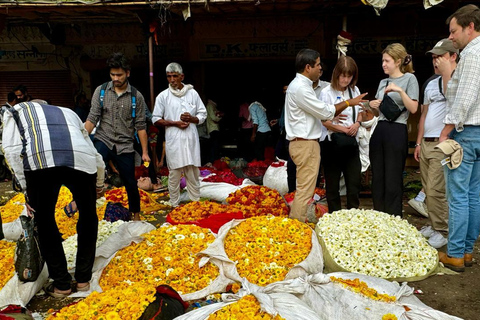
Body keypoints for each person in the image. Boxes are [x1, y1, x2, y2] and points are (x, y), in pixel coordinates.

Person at [3, 100, 103, 297]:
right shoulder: (67, 111)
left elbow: (13, 150)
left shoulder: (14, 112)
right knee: (88, 215)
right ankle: (83, 280)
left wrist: (26, 191)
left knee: (45, 220)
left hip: (41, 161)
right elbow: (88, 145)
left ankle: (62, 285)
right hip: (82, 160)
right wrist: (99, 181)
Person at [284, 48, 367, 222]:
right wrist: (348, 103)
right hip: (306, 143)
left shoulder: (301, 86)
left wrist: (353, 119)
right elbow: (325, 111)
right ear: (308, 67)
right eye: (318, 64)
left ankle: (298, 223)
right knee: (306, 190)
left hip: (310, 143)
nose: (320, 68)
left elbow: (321, 113)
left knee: (308, 188)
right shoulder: (302, 88)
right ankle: (297, 225)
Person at [437, 4, 480, 272]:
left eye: (454, 32)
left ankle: (454, 253)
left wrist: (446, 129)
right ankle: (466, 252)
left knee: (459, 196)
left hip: (466, 132)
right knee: (473, 195)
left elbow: (464, 99)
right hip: (479, 131)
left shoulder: (473, 53)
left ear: (470, 27)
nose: (451, 37)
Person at [85, 52, 150, 221]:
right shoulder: (101, 92)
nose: (115, 78)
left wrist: (144, 152)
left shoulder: (137, 97)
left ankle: (135, 214)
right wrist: (82, 140)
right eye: (113, 74)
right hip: (103, 139)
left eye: (119, 75)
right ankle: (86, 206)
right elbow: (92, 118)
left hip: (125, 144)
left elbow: (141, 127)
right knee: (91, 168)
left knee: (129, 181)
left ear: (127, 73)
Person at [413, 39, 458, 249]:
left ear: (452, 57)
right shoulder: (430, 84)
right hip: (427, 142)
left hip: (444, 143)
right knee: (427, 187)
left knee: (435, 189)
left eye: (439, 57)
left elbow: (455, 103)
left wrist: (448, 73)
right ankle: (433, 223)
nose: (435, 61)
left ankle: (443, 230)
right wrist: (419, 142)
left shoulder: (456, 80)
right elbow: (424, 115)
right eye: (433, 57)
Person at [368, 43, 419, 217]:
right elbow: (377, 112)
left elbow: (413, 108)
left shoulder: (410, 79)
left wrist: (399, 90)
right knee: (378, 177)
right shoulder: (383, 82)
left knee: (393, 177)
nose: (383, 64)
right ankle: (379, 215)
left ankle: (394, 217)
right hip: (380, 128)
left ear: (398, 61)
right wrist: (372, 105)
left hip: (397, 129)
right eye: (382, 61)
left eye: (387, 61)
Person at [152, 62, 207, 207]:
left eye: (175, 76)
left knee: (193, 173)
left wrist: (192, 119)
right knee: (174, 174)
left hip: (191, 139)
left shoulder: (192, 93)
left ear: (182, 76)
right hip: (174, 140)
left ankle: (195, 204)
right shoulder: (163, 96)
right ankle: (174, 204)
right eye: (169, 76)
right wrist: (175, 123)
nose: (172, 80)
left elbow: (203, 114)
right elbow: (155, 119)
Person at [319, 55, 363, 212]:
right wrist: (342, 128)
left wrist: (357, 123)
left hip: (351, 141)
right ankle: (334, 216)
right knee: (332, 184)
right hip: (332, 143)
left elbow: (361, 111)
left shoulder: (354, 90)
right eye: (343, 75)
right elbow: (323, 120)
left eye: (349, 76)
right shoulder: (326, 92)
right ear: (336, 74)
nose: (345, 80)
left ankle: (353, 214)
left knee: (354, 182)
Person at [205, 98, 224, 164]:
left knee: (215, 146)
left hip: (214, 128)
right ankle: (213, 161)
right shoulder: (210, 105)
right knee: (214, 146)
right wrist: (219, 117)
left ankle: (215, 161)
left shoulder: (213, 105)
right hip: (212, 128)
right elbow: (214, 118)